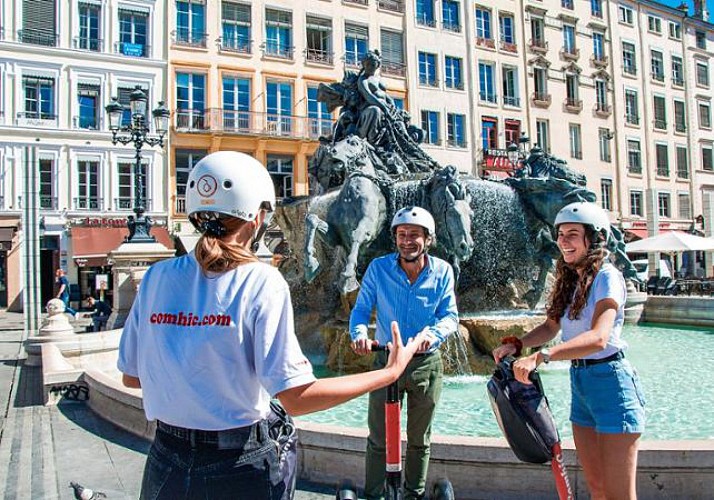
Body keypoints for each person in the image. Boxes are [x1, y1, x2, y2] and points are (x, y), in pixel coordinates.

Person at [117, 151, 425, 500]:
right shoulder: (261, 281)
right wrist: (388, 372)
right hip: (238, 464)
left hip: (165, 459)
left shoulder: (157, 277)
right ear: (256, 218)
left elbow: (132, 376)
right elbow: (295, 397)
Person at [492, 201, 645, 500]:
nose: (563, 240)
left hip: (612, 383)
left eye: (572, 233)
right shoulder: (570, 282)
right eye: (560, 234)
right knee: (597, 488)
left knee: (619, 494)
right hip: (582, 384)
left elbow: (600, 337)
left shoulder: (607, 276)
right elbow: (551, 327)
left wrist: (542, 356)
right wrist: (520, 343)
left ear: (594, 238)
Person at [350, 206, 458, 500]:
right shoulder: (379, 268)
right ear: (395, 238)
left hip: (426, 364)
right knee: (379, 439)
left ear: (428, 239)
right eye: (402, 235)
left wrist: (432, 335)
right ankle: (374, 495)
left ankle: (413, 495)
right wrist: (359, 334)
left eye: (415, 235)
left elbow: (449, 316)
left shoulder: (443, 271)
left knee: (419, 440)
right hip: (386, 362)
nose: (407, 241)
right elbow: (361, 309)